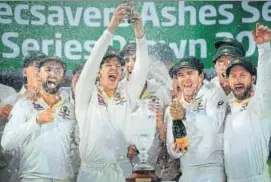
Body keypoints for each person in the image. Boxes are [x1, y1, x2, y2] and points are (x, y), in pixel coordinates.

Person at [75, 4, 151, 182]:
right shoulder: (85, 94)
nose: (114, 69)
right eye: (109, 65)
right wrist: (112, 27)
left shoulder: (127, 92)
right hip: (91, 173)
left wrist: (139, 32)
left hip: (122, 169)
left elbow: (142, 67)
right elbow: (93, 60)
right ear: (98, 72)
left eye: (118, 66)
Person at [1, 56, 76, 182]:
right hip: (33, 177)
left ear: (63, 78)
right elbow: (7, 143)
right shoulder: (24, 104)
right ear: (39, 75)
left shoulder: (70, 107)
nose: (53, 73)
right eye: (48, 69)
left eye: (58, 70)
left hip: (65, 178)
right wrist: (36, 122)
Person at [166, 56, 227, 182]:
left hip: (212, 171)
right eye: (181, 75)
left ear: (201, 76)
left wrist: (186, 115)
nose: (186, 79)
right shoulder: (174, 107)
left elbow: (213, 125)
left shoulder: (214, 93)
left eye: (190, 73)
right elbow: (172, 148)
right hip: (187, 172)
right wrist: (176, 149)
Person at [224, 23, 271, 182]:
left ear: (253, 78)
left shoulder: (261, 105)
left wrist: (264, 48)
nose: (237, 80)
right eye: (233, 76)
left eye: (242, 75)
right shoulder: (225, 106)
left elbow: (266, 81)